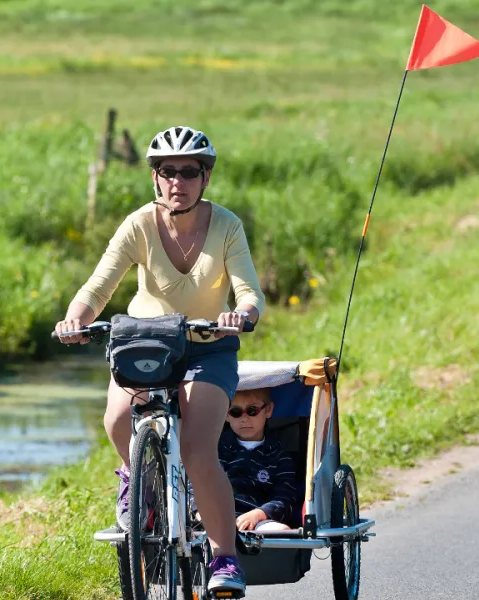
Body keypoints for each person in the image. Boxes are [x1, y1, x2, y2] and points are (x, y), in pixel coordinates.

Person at [55, 125, 263, 594]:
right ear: (155, 177)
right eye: (167, 171)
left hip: (208, 345)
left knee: (195, 448)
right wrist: (75, 319)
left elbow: (249, 289)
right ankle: (138, 480)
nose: (177, 182)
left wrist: (243, 314)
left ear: (205, 178)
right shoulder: (139, 225)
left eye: (189, 172)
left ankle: (224, 558)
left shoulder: (227, 225)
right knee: (116, 419)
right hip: (146, 344)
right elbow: (98, 286)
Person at [218, 388, 301, 533]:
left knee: (283, 531)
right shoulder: (215, 449)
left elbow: (285, 498)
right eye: (235, 412)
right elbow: (196, 485)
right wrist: (202, 513)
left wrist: (258, 514)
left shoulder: (279, 456)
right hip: (215, 517)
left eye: (252, 410)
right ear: (226, 414)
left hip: (258, 521)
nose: (244, 418)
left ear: (268, 410)